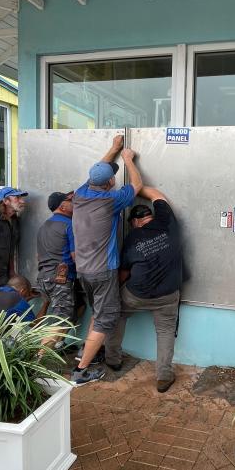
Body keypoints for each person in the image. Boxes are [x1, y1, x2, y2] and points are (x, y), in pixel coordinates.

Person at [70, 134, 142, 385]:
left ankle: (85, 352)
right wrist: (128, 160)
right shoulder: (110, 201)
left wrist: (112, 149)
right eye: (112, 175)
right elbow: (137, 185)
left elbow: (97, 173)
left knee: (97, 313)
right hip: (103, 271)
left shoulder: (80, 195)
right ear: (111, 181)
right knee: (106, 317)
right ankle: (81, 370)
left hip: (84, 271)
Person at [105, 187, 183, 393]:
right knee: (165, 330)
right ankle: (164, 375)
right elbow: (158, 195)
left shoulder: (132, 239)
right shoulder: (167, 223)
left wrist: (132, 186)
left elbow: (124, 272)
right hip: (168, 295)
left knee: (117, 314)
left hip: (136, 294)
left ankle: (113, 359)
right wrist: (140, 187)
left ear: (136, 222)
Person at [36, 190, 81, 347]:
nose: (74, 204)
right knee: (59, 320)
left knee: (75, 308)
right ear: (63, 206)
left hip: (44, 278)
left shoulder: (44, 226)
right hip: (60, 280)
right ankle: (38, 361)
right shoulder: (69, 225)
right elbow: (76, 257)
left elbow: (38, 256)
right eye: (71, 201)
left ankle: (57, 346)